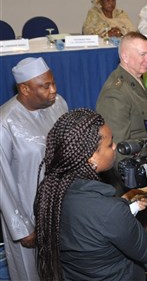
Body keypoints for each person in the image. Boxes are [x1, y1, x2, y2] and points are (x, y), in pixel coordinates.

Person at [34, 108, 147, 280]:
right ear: (91, 158)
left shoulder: (49, 193)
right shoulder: (109, 211)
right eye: (110, 144)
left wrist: (122, 202)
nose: (115, 147)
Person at [0, 57, 68, 281]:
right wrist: (21, 227)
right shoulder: (5, 122)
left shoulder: (58, 104)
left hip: (62, 206)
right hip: (27, 213)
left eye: (53, 82)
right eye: (45, 86)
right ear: (25, 88)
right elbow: (2, 182)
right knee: (31, 273)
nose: (53, 90)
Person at [96, 32, 147, 195]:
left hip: (144, 167)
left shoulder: (134, 79)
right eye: (143, 54)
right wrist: (135, 186)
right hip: (130, 182)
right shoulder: (116, 92)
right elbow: (117, 148)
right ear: (125, 56)